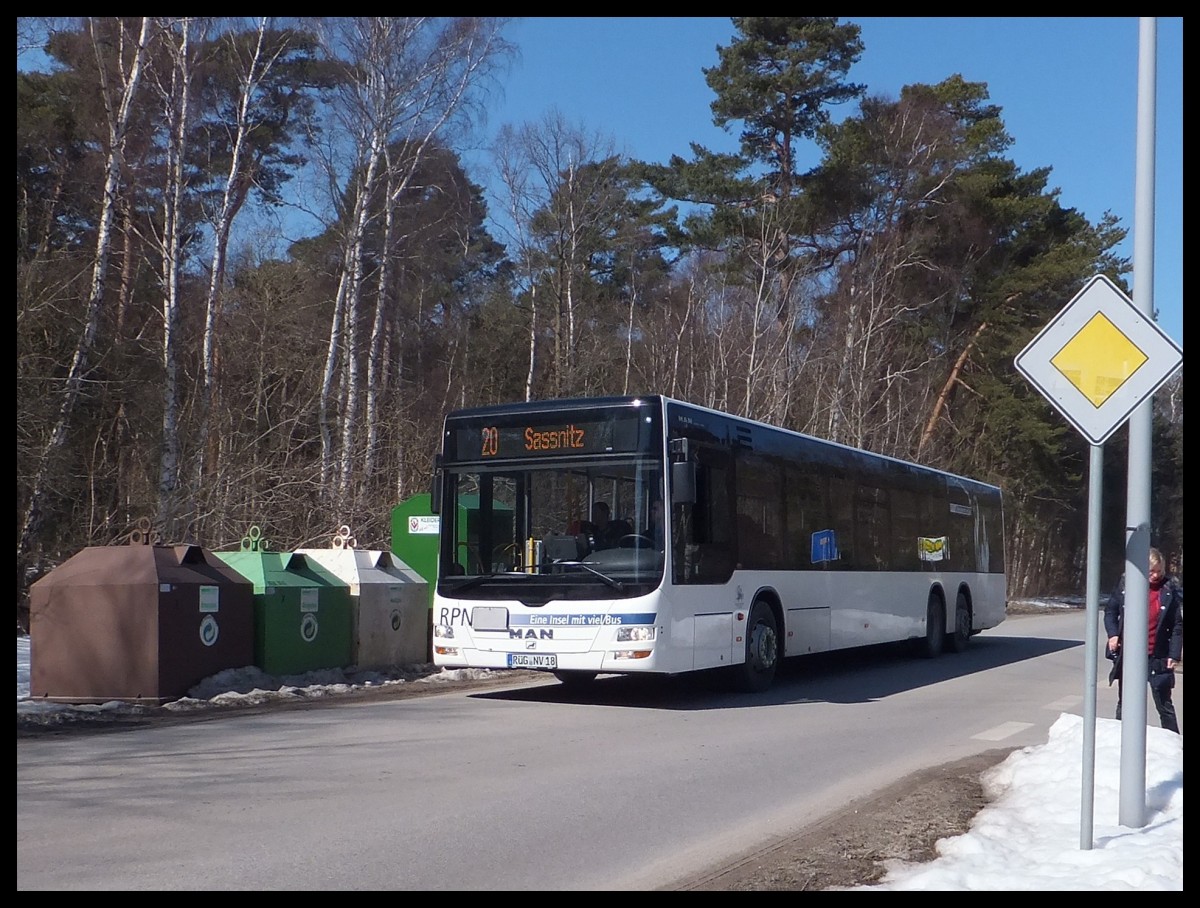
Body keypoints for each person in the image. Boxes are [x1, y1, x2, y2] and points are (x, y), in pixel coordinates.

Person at [1103, 546, 1183, 733]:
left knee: (1164, 705)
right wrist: (1113, 634)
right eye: (1151, 571)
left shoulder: (1168, 590)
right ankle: (1119, 740)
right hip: (1130, 656)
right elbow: (1110, 612)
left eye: (1158, 571)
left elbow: (1178, 626)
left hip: (1158, 656)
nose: (1155, 575)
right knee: (1126, 702)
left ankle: (1175, 747)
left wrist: (1174, 654)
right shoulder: (1126, 586)